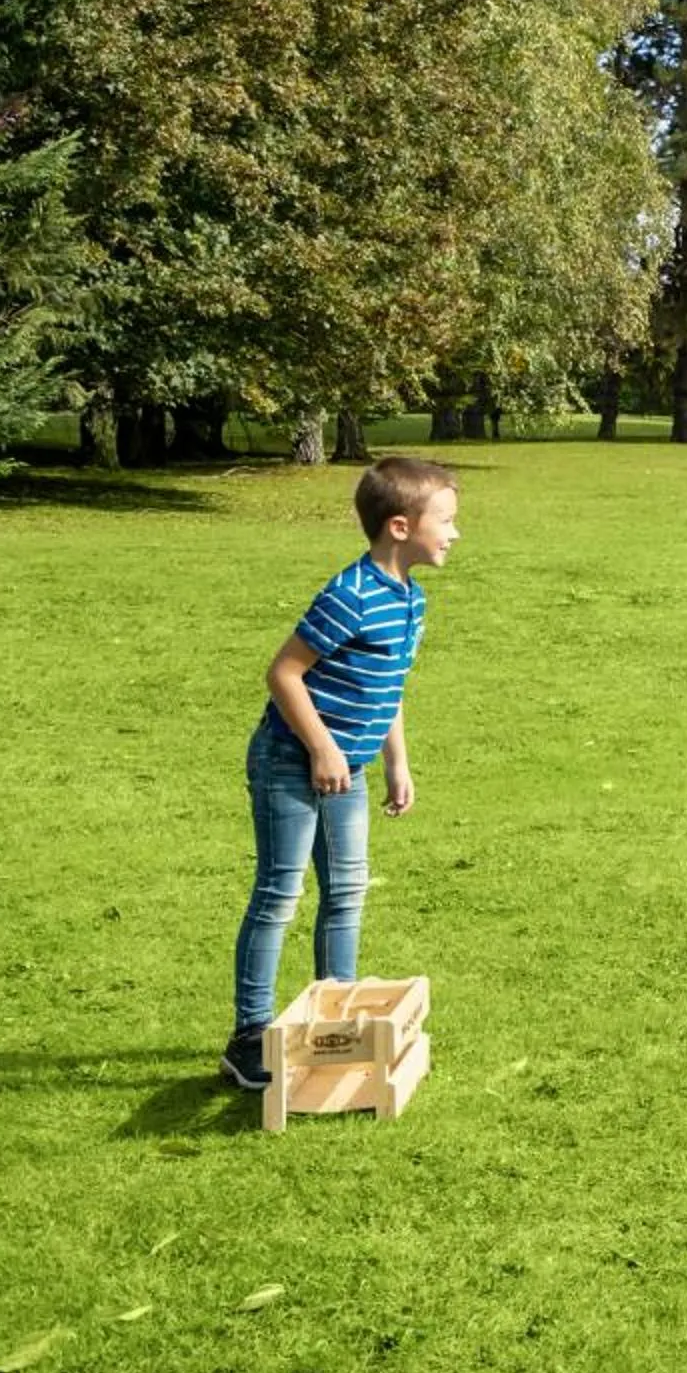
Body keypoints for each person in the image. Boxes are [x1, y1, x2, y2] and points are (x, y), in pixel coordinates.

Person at [220, 456, 461, 1091]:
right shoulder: (349, 595)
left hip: (346, 768)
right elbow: (283, 674)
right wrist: (325, 749)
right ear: (401, 527)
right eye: (448, 520)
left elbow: (388, 688)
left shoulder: (410, 598)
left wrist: (396, 761)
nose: (456, 533)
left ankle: (336, 1017)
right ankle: (248, 1036)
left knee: (347, 892)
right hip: (290, 762)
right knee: (280, 896)